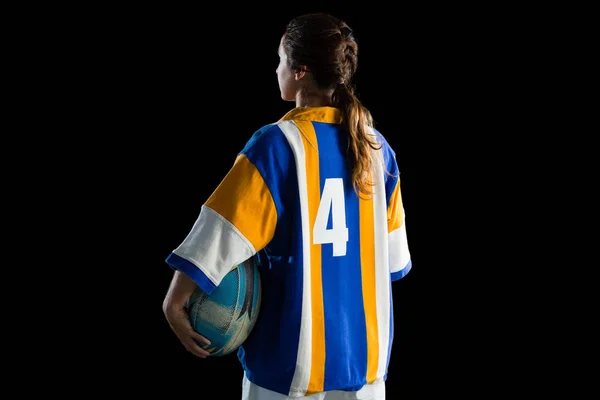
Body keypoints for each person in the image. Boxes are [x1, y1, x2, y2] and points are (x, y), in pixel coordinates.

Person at [162, 12, 411, 400]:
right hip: (366, 369)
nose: (276, 68)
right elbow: (394, 263)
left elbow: (220, 232)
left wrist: (174, 301)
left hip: (288, 369)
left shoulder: (276, 146)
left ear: (300, 71)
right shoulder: (379, 150)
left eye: (280, 60)